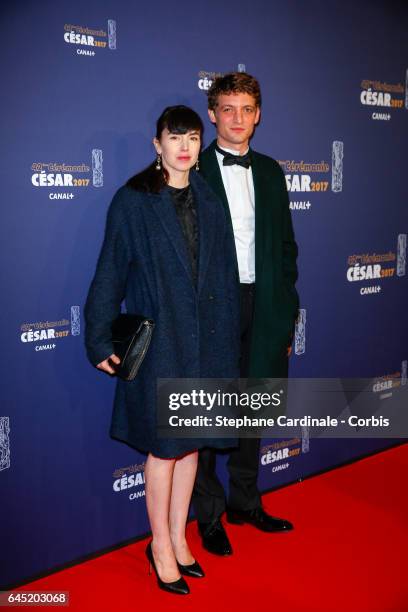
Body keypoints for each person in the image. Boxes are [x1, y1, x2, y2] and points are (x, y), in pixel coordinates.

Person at [84, 106, 240, 594]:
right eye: (175, 137)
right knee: (163, 449)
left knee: (190, 445)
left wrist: (228, 342)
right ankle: (158, 544)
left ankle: (178, 536)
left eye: (192, 136)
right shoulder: (132, 201)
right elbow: (110, 271)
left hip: (206, 344)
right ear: (157, 145)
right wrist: (97, 337)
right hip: (163, 342)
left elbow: (225, 277)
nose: (185, 146)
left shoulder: (210, 199)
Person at [192, 73, 299, 555]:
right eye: (228, 109)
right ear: (212, 114)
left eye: (247, 109)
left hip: (264, 302)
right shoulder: (190, 170)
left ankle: (245, 501)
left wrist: (285, 310)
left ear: (258, 114)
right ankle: (209, 515)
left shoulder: (274, 172)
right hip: (213, 305)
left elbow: (285, 248)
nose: (238, 119)